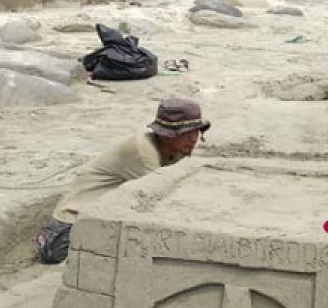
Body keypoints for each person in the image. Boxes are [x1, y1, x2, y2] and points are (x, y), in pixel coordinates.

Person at [36, 98, 210, 264]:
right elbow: (163, 204)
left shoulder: (172, 150)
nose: (193, 139)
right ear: (167, 135)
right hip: (66, 231)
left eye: (196, 131)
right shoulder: (143, 153)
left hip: (93, 220)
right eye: (186, 133)